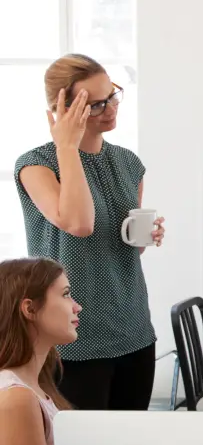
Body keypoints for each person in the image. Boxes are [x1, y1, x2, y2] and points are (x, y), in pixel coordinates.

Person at [14, 55, 164, 412]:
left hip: (132, 326)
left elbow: (124, 248)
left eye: (111, 95)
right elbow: (78, 224)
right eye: (95, 104)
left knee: (130, 443)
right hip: (73, 337)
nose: (110, 108)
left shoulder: (129, 163)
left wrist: (146, 236)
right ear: (62, 110)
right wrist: (67, 146)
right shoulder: (36, 165)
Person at [0, 258, 81, 445]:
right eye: (66, 294)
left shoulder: (35, 385)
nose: (77, 307)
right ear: (30, 309)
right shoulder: (16, 399)